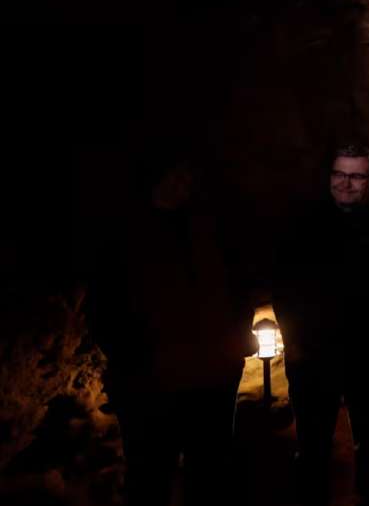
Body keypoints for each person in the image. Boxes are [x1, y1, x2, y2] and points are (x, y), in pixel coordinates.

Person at [87, 155, 250, 506]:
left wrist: (234, 341)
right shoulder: (124, 236)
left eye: (186, 180)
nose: (180, 187)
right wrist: (134, 360)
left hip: (210, 376)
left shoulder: (207, 228)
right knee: (150, 476)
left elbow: (237, 286)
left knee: (209, 472)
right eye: (172, 179)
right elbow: (103, 306)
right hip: (153, 382)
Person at [273, 144, 369, 506]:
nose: (346, 183)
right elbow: (283, 288)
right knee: (312, 444)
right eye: (339, 174)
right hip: (313, 356)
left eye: (356, 176)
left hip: (368, 357)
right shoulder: (302, 227)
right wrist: (294, 340)